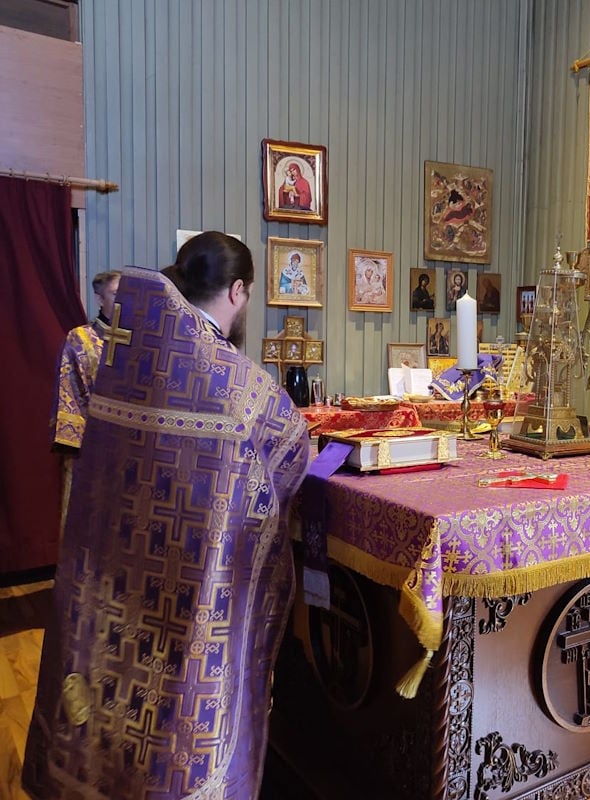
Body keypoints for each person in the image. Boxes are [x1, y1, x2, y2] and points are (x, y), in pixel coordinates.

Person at [23, 232, 310, 800]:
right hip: (194, 583)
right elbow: (292, 457)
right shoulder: (244, 386)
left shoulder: (125, 363)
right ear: (238, 291)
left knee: (123, 690)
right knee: (180, 703)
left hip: (123, 575)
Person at [49, 270, 121, 453]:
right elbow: (70, 388)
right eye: (115, 293)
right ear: (100, 299)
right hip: (93, 439)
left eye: (127, 294)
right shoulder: (80, 338)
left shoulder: (143, 339)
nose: (123, 300)